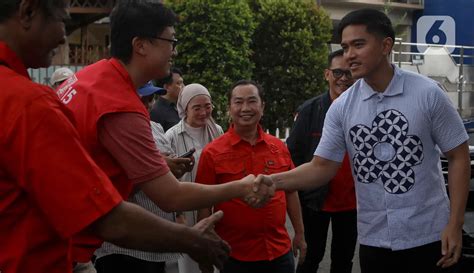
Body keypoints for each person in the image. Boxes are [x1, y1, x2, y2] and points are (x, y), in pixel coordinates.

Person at [0, 1, 239, 273]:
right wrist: (194, 237)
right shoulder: (38, 103)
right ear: (28, 12)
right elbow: (113, 215)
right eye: (60, 20)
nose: (64, 35)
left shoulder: (87, 79)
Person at [55, 2, 273, 271]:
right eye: (170, 40)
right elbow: (171, 196)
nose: (174, 50)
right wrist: (240, 187)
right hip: (58, 250)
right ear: (141, 45)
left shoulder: (91, 77)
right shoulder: (119, 104)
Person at [256, 8, 470, 273]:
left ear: (385, 45)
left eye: (358, 44)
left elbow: (459, 156)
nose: (349, 56)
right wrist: (273, 181)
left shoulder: (427, 94)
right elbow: (321, 167)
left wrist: (455, 223)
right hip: (374, 240)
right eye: (345, 47)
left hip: (429, 236)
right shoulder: (343, 107)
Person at [196, 80, 307, 273]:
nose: (245, 108)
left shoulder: (279, 147)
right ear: (229, 108)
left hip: (278, 253)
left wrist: (299, 233)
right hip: (233, 255)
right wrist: (204, 248)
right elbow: (204, 203)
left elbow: (290, 192)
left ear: (262, 106)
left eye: (252, 101)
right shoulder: (212, 152)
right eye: (238, 102)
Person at [94, 82, 190, 273]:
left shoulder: (155, 127)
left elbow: (166, 183)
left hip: (159, 244)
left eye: (150, 99)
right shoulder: (114, 128)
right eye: (141, 99)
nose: (146, 104)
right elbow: (115, 185)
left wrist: (174, 168)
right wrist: (159, 169)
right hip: (126, 249)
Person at [287, 49, 357, 273]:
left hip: (353, 202)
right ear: (327, 74)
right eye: (338, 73)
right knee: (310, 257)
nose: (344, 79)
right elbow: (294, 155)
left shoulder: (364, 108)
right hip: (316, 200)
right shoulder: (310, 110)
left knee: (343, 261)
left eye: (349, 73)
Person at [164, 83, 224, 273]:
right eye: (196, 107)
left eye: (207, 106)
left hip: (215, 206)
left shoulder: (218, 132)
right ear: (185, 108)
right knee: (190, 264)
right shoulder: (172, 136)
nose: (203, 112)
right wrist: (178, 215)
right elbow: (167, 179)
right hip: (186, 210)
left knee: (218, 258)